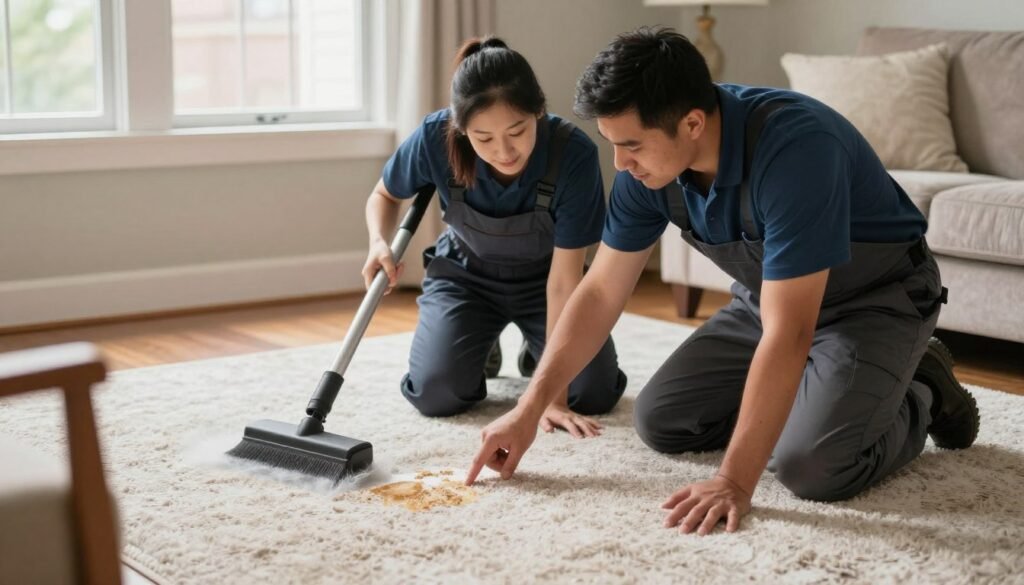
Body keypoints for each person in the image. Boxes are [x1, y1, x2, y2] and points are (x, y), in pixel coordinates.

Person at [465, 27, 980, 535]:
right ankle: (820, 394)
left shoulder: (796, 151)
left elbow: (791, 332)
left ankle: (922, 390)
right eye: (612, 145)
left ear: (691, 122)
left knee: (810, 466)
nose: (620, 164)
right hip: (769, 299)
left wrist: (734, 480)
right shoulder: (646, 171)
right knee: (663, 420)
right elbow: (600, 290)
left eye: (631, 145)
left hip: (875, 302)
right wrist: (529, 408)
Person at [364, 36, 627, 436]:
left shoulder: (572, 154)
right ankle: (478, 347)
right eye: (483, 138)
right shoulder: (435, 138)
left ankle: (532, 355)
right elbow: (384, 195)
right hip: (465, 277)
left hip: (545, 280)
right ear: (461, 127)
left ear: (538, 110)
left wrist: (552, 399)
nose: (503, 151)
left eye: (517, 131)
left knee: (591, 393)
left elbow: (563, 281)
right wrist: (378, 242)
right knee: (437, 394)